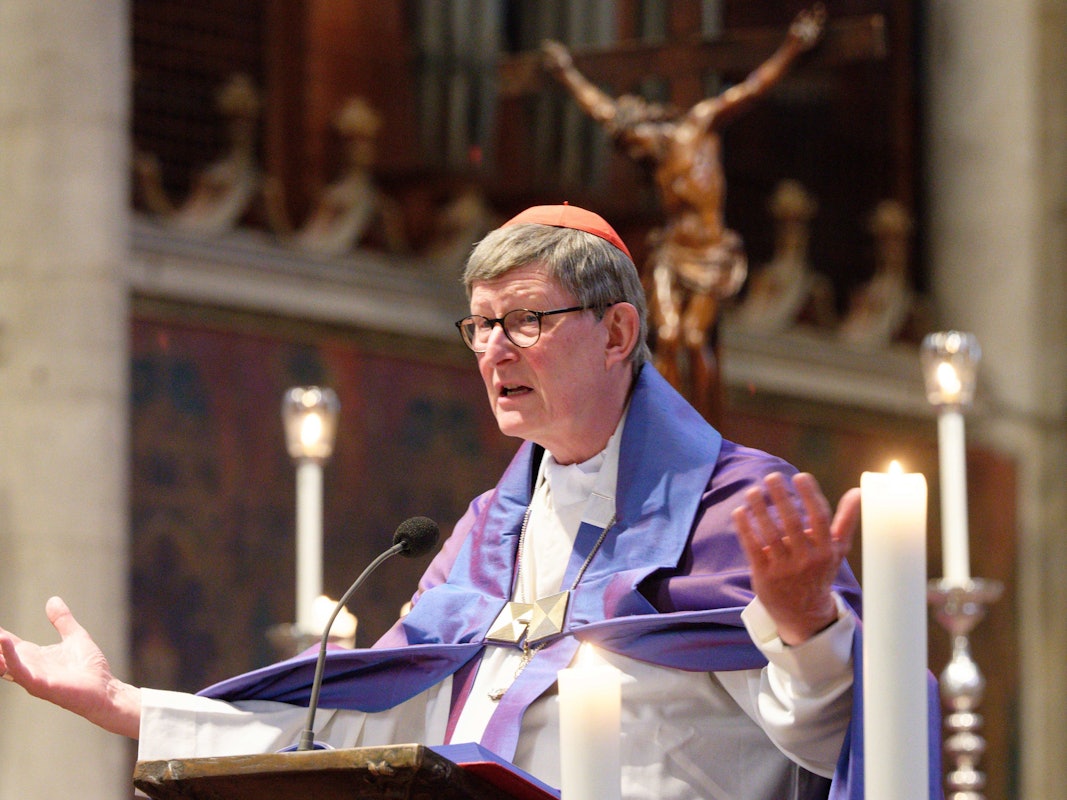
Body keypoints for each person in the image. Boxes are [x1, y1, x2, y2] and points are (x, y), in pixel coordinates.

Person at [2, 204, 922, 799]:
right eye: (479, 325)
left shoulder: (735, 508)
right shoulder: (489, 532)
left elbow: (834, 744)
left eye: (526, 320)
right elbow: (370, 722)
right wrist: (124, 704)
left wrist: (805, 630)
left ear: (616, 332)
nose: (493, 351)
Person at [541, 5, 826, 423]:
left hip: (711, 252)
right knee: (667, 336)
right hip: (671, 251)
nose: (634, 151)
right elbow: (602, 111)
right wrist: (566, 73)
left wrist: (792, 47)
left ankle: (706, 424)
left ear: (648, 124)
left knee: (694, 338)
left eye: (634, 141)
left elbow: (752, 89)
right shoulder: (652, 154)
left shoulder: (700, 126)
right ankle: (667, 426)